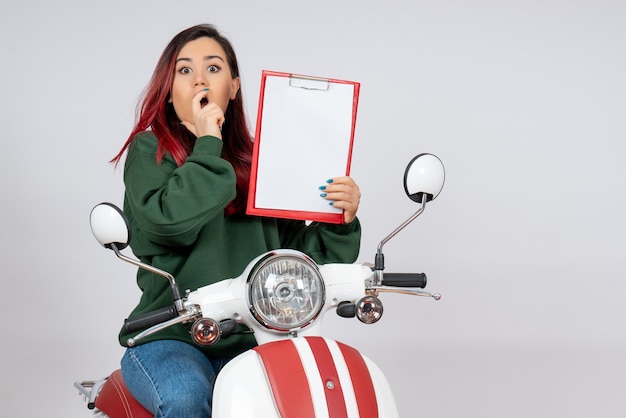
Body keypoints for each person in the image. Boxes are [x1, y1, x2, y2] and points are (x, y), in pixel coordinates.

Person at [110, 24, 362, 417]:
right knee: (186, 399)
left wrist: (340, 218)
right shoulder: (149, 151)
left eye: (213, 68)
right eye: (184, 70)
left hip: (254, 336)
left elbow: (300, 260)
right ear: (169, 89)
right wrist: (208, 143)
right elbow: (169, 225)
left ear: (233, 86)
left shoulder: (260, 165)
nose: (198, 80)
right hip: (170, 337)